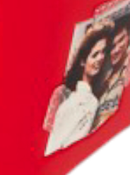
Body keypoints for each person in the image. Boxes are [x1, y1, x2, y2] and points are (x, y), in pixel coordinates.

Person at [44, 24, 115, 154]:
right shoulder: (84, 100)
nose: (100, 58)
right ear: (82, 62)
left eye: (103, 52)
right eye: (95, 54)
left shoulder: (82, 96)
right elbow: (60, 141)